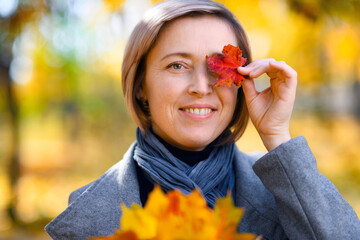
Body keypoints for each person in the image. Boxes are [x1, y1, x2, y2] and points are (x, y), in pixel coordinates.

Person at [45, 0, 360, 239]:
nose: (200, 87)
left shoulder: (283, 196)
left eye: (218, 65)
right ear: (141, 86)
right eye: (177, 66)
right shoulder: (89, 212)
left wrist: (277, 135)